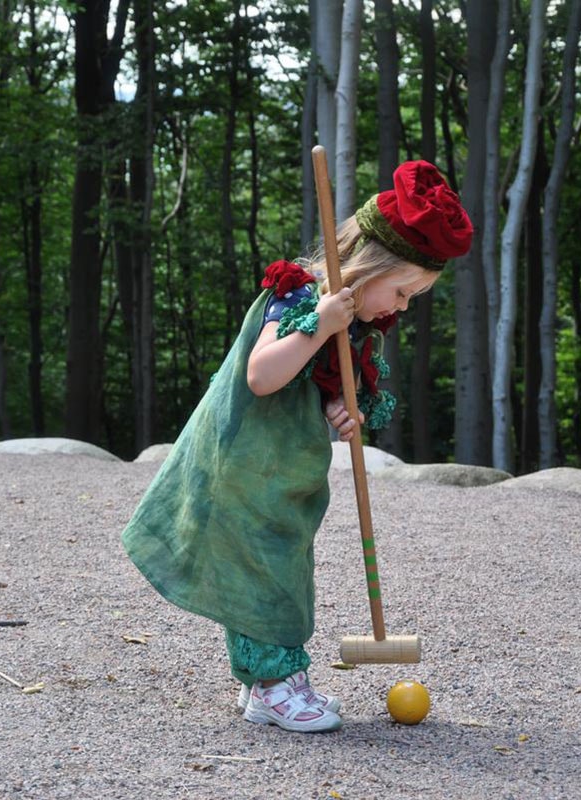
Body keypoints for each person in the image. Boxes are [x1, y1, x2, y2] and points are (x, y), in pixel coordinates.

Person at [121, 160, 473, 733]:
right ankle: (273, 684)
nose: (404, 306)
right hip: (241, 467)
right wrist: (318, 325)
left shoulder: (349, 322)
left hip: (279, 472)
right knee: (265, 574)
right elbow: (262, 376)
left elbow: (304, 389)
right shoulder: (299, 299)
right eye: (404, 290)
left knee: (283, 569)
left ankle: (274, 683)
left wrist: (337, 411)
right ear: (368, 267)